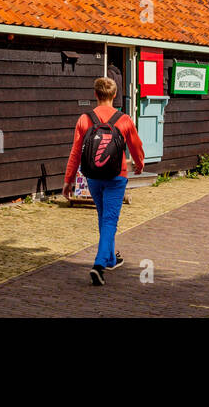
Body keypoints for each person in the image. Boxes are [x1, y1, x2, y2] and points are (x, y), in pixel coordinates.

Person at [62, 76, 146, 286]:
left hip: (94, 176)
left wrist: (68, 180)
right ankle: (99, 265)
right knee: (109, 220)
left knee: (103, 217)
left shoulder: (85, 119)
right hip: (117, 176)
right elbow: (136, 146)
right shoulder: (124, 119)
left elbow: (75, 152)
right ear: (115, 95)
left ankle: (109, 258)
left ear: (95, 95)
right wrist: (139, 163)